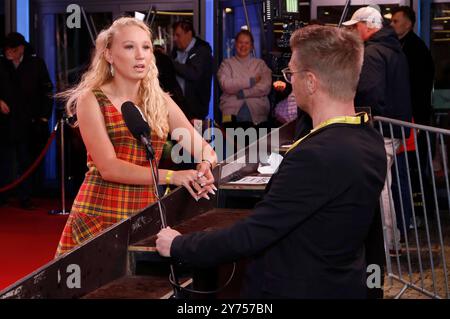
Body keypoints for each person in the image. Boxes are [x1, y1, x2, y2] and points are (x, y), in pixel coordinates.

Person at [156, 25, 387, 299]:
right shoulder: (369, 138)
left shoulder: (316, 155)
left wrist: (180, 244)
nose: (290, 81)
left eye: (292, 73)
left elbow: (253, 234)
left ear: (311, 81)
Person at [54, 17, 218, 257]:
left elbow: (205, 149)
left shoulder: (159, 100)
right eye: (129, 47)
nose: (140, 55)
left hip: (145, 212)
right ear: (109, 54)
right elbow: (109, 168)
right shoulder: (92, 99)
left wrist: (204, 166)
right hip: (100, 213)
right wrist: (173, 176)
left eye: (146, 47)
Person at [343, 6, 412, 255]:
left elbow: (370, 91)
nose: (353, 31)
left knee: (380, 187)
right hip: (392, 127)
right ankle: (391, 241)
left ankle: (387, 243)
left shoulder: (373, 53)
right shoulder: (394, 49)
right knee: (385, 185)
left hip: (381, 127)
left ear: (368, 25)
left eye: (355, 26)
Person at [390, 6, 435, 229]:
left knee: (410, 171)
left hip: (413, 120)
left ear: (409, 23)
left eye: (396, 21)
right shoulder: (400, 46)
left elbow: (419, 89)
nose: (392, 24)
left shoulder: (416, 49)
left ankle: (414, 216)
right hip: (409, 118)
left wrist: (416, 121)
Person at [0, 32, 53, 209]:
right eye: (6, 49)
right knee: (4, 160)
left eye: (12, 50)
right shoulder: (1, 64)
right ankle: (3, 194)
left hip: (28, 122)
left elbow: (47, 92)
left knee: (26, 160)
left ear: (21, 49)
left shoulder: (36, 64)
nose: (9, 53)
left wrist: (44, 117)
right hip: (4, 123)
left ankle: (26, 196)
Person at [217, 30, 272, 128]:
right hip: (230, 115)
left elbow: (265, 87)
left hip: (258, 116)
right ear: (235, 44)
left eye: (247, 43)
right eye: (240, 42)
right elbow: (226, 85)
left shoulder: (260, 65)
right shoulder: (226, 64)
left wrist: (243, 93)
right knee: (232, 143)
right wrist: (251, 81)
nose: (243, 46)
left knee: (259, 143)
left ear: (252, 46)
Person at [171, 20, 213, 121]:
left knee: (195, 136)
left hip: (195, 112)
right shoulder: (176, 51)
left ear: (189, 34)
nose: (175, 39)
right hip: (179, 109)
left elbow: (193, 73)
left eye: (178, 35)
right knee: (179, 136)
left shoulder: (202, 51)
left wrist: (170, 62)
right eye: (174, 35)